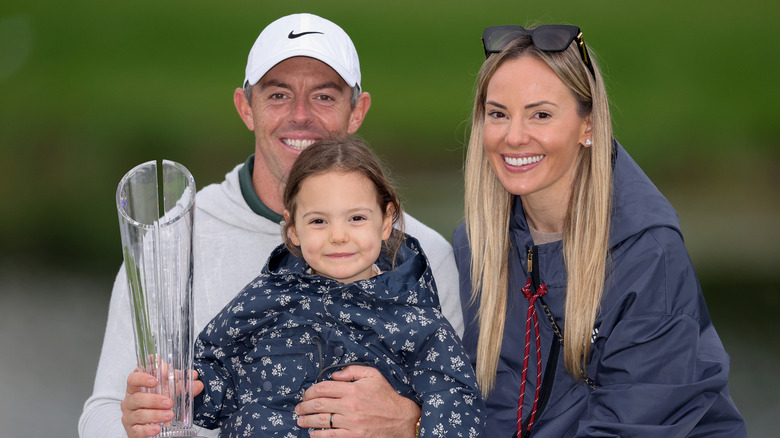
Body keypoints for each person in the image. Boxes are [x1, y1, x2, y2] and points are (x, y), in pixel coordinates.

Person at [79, 13, 463, 438]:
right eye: (278, 95)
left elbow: (469, 407)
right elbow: (104, 412)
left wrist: (411, 423)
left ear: (357, 112)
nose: (301, 116)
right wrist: (134, 423)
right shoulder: (169, 243)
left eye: (324, 97)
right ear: (247, 108)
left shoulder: (422, 255)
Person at [452, 24, 747, 437]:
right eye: (497, 114)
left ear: (587, 126)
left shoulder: (646, 252)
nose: (514, 137)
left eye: (541, 114)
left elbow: (633, 423)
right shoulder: (477, 242)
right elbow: (496, 409)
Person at [191, 137, 484, 437]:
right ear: (292, 229)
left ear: (386, 221)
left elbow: (460, 409)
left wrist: (414, 427)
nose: (338, 235)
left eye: (356, 218)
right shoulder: (266, 296)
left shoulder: (418, 324)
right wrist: (184, 391)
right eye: (319, 221)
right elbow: (217, 376)